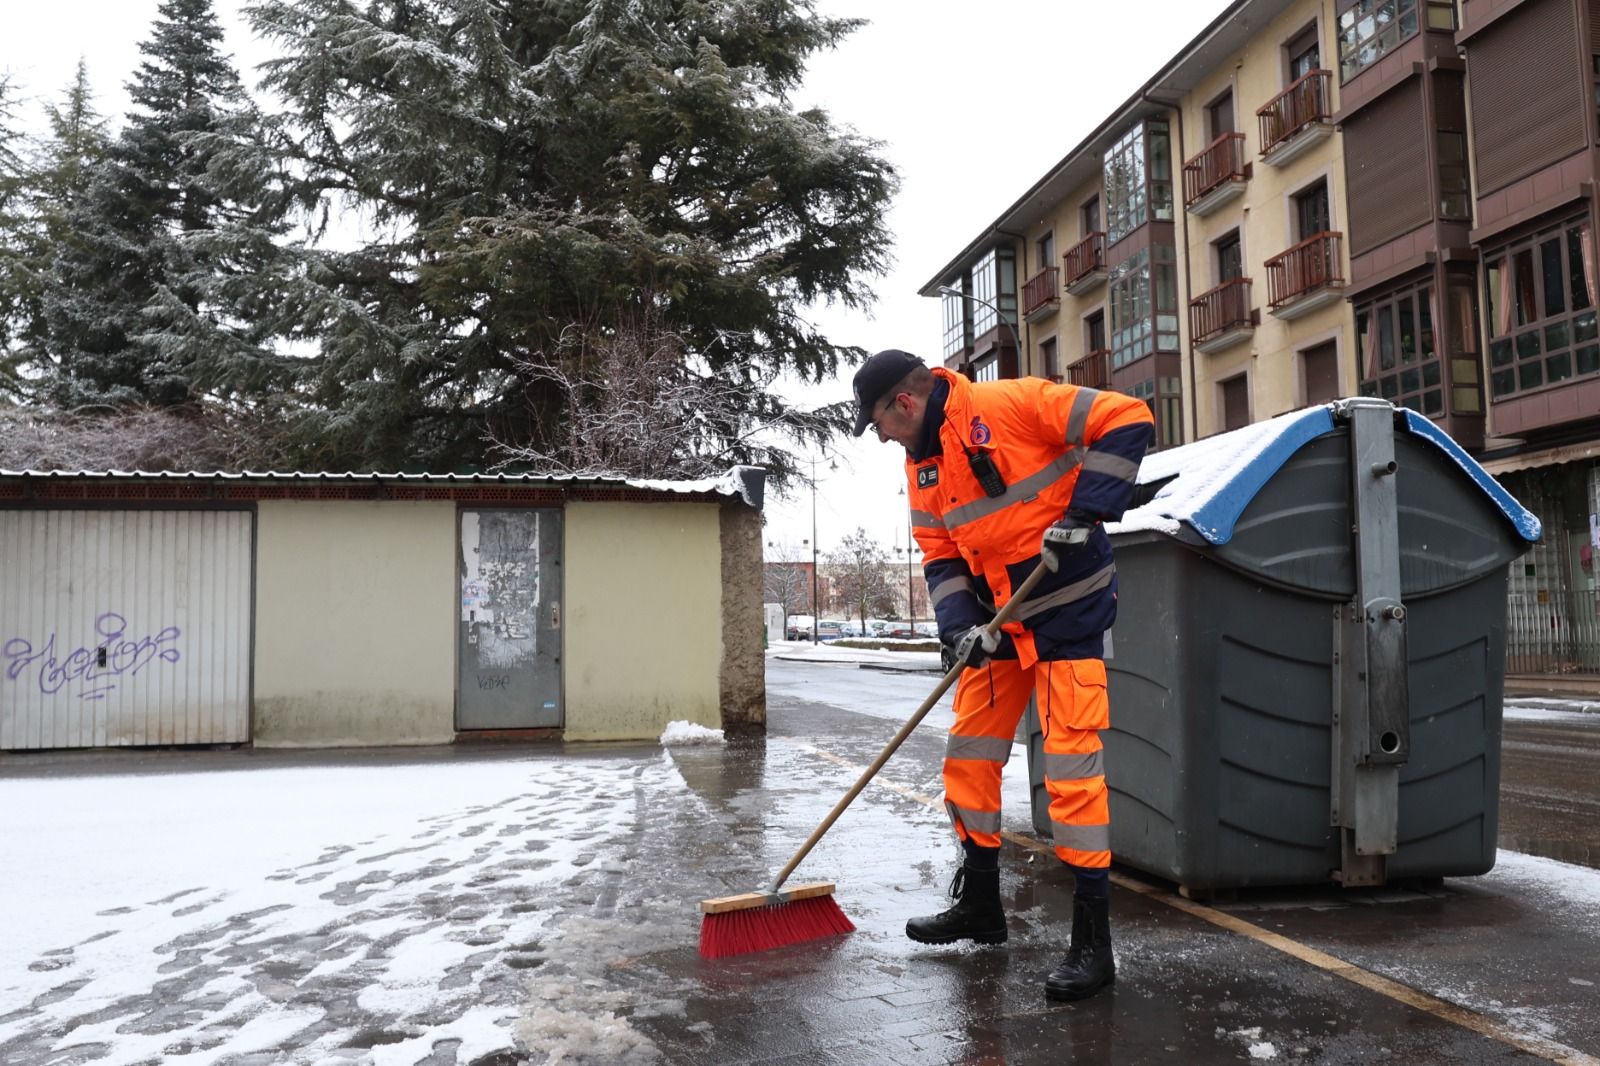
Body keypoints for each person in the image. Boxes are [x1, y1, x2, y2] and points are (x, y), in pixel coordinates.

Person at [851, 348, 1153, 1002]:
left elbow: (1128, 417)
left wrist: (1083, 514)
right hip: (999, 623)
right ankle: (982, 906)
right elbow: (939, 555)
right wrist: (958, 627)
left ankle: (1092, 943)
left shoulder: (1006, 405)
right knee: (969, 754)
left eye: (878, 422)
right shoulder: (921, 464)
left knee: (1071, 769)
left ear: (905, 402)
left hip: (1068, 607)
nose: (880, 437)